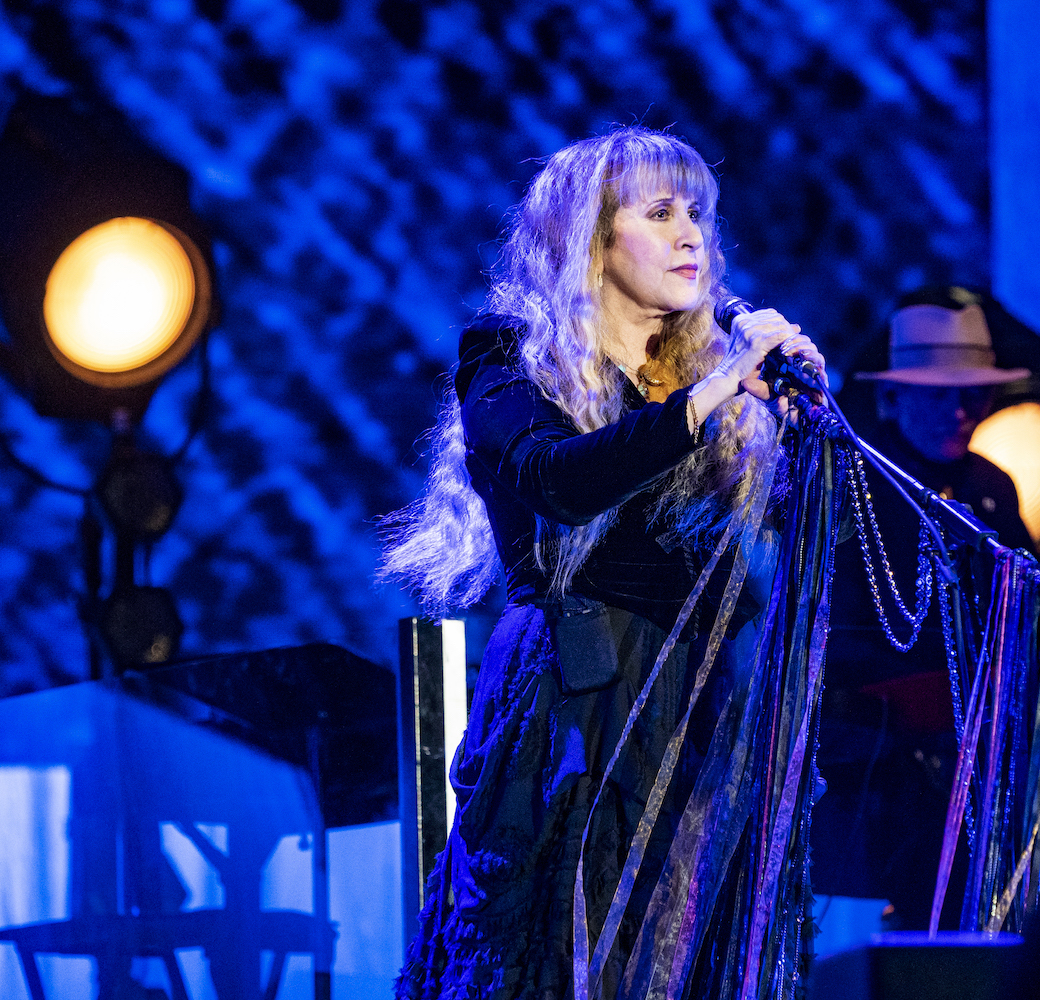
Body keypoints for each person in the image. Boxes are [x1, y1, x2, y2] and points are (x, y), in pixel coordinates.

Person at [382, 127, 826, 999]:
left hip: (708, 709)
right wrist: (713, 392)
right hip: (583, 697)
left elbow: (822, 542)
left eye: (697, 213)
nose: (691, 234)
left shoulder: (717, 387)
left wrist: (808, 424)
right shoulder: (506, 357)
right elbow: (559, 480)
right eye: (660, 212)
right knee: (563, 950)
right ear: (591, 236)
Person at [816, 287, 1034, 930]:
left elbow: (1029, 603)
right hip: (879, 765)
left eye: (973, 395)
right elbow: (839, 629)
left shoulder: (992, 485)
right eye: (940, 396)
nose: (960, 412)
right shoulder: (855, 478)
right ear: (893, 397)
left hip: (979, 753)